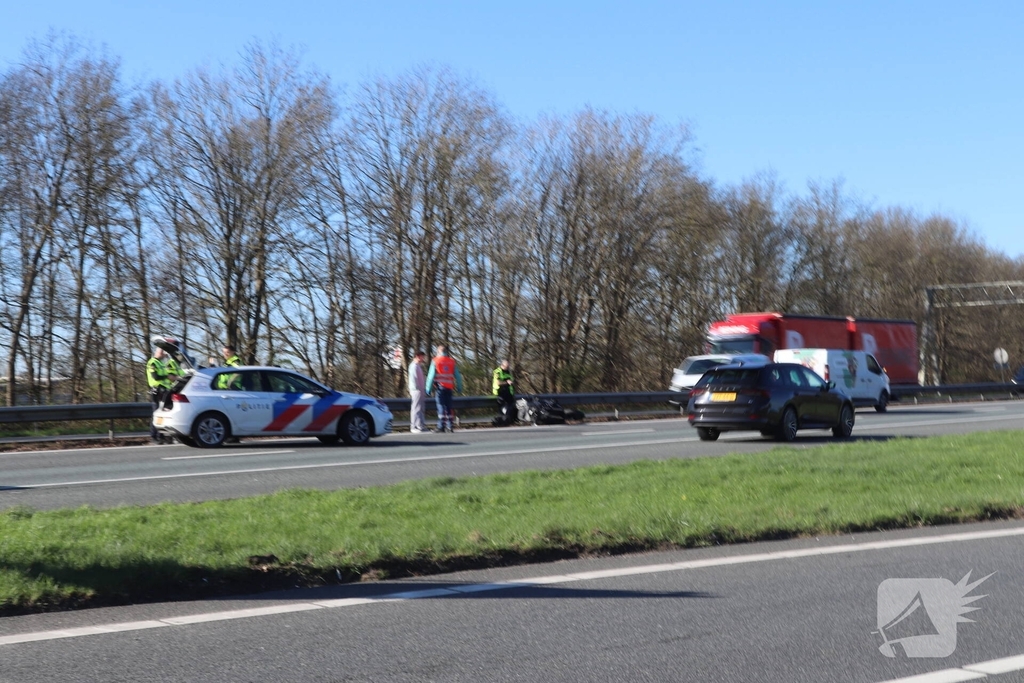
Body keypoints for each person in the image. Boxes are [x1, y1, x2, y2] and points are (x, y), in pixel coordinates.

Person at [425, 344, 463, 433]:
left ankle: (441, 426)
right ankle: (450, 426)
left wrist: (428, 388)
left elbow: (430, 376)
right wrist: (459, 387)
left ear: (438, 351)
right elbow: (458, 376)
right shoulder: (452, 361)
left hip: (440, 387)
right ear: (446, 351)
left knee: (441, 406)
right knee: (449, 407)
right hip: (449, 387)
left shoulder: (435, 361)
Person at [146, 346, 178, 444]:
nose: (164, 354)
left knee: (163, 414)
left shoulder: (161, 363)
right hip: (157, 391)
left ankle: (162, 436)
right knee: (156, 413)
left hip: (164, 391)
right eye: (162, 352)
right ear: (158, 352)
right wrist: (167, 376)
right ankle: (154, 436)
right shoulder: (152, 362)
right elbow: (155, 376)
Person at [407, 350, 428, 433]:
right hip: (416, 390)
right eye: (422, 357)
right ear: (418, 356)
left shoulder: (418, 366)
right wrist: (417, 388)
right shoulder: (413, 366)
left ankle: (420, 425)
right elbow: (413, 379)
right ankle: (414, 426)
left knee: (420, 408)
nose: (423, 358)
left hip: (420, 390)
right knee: (416, 408)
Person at [492, 359, 515, 425]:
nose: (507, 368)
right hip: (500, 392)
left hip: (508, 392)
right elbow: (498, 382)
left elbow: (511, 380)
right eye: (506, 367)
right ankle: (501, 421)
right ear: (502, 365)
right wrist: (507, 382)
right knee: (501, 408)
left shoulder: (509, 372)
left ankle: (507, 420)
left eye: (508, 367)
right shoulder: (497, 372)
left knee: (511, 406)